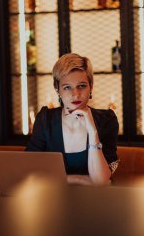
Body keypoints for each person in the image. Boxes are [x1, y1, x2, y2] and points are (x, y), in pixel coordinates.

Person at [26, 53, 119, 186]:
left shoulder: (107, 120)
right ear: (57, 89)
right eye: (67, 87)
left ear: (91, 87)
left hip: (96, 201)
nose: (75, 94)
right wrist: (79, 179)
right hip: (53, 199)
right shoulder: (45, 119)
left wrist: (93, 132)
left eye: (81, 86)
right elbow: (30, 170)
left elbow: (100, 181)